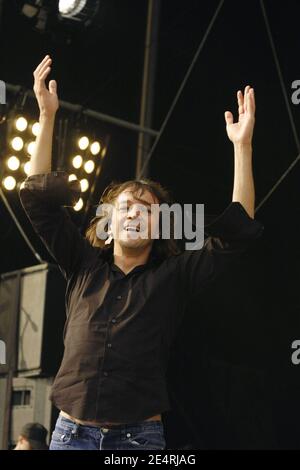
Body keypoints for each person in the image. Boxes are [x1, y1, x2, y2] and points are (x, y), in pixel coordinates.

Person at [19, 55, 264, 450]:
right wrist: (46, 117)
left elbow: (236, 234)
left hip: (139, 439)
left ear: (160, 225)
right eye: (126, 206)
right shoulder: (83, 265)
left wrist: (243, 147)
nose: (135, 212)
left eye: (147, 209)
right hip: (71, 435)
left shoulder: (173, 275)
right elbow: (37, 199)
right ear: (109, 222)